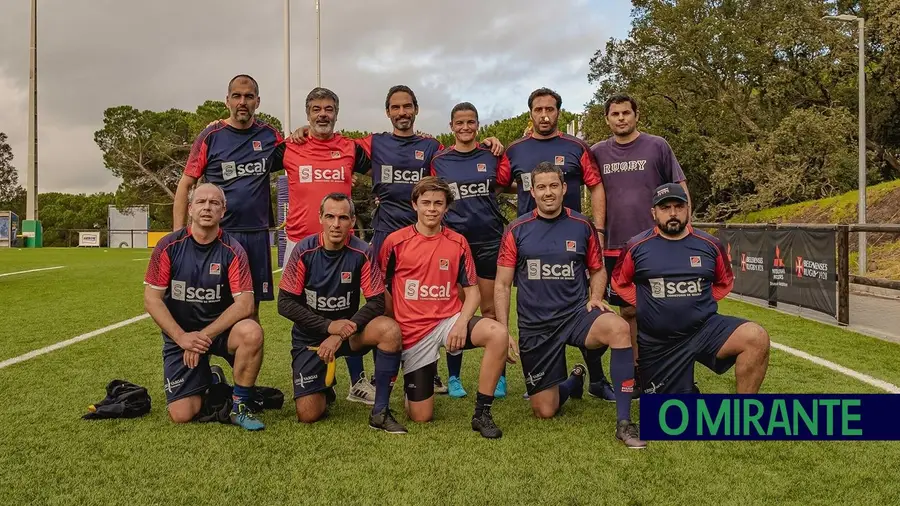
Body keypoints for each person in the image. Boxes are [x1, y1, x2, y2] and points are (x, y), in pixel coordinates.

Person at [290, 85, 504, 394]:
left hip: (427, 236)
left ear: (416, 110)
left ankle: (427, 370)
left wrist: (487, 143)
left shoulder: (431, 147)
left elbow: (461, 154)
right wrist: (304, 132)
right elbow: (332, 142)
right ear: (388, 112)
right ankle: (369, 378)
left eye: (407, 106)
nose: (402, 112)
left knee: (432, 303)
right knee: (377, 307)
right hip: (387, 234)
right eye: (395, 107)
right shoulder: (373, 143)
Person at [495, 163, 645, 448]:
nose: (548, 192)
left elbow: (598, 269)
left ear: (564, 189)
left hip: (576, 315)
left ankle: (625, 423)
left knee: (619, 328)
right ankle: (573, 382)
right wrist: (503, 330)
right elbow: (502, 284)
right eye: (541, 187)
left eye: (554, 186)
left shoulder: (582, 225)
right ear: (532, 190)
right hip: (536, 325)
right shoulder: (516, 229)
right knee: (545, 410)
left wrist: (595, 298)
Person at [377, 176, 511, 439]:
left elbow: (472, 292)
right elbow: (382, 288)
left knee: (498, 333)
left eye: (438, 203)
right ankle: (413, 383)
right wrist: (394, 325)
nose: (432, 209)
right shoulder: (395, 242)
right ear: (414, 204)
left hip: (449, 321)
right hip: (414, 332)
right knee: (421, 416)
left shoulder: (458, 242)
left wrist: (461, 323)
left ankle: (482, 413)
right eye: (425, 202)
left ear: (447, 207)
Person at [266, 87, 374, 405]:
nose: (322, 114)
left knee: (350, 309)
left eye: (328, 108)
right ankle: (310, 375)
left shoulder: (350, 149)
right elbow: (249, 159)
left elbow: (392, 162)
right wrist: (218, 125)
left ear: (337, 113)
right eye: (316, 109)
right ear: (307, 113)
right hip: (301, 243)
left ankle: (357, 382)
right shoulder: (290, 147)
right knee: (301, 310)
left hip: (345, 245)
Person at [505, 87, 614, 401]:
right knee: (539, 309)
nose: (544, 115)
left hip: (573, 240)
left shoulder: (576, 147)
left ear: (559, 112)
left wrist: (600, 230)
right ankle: (557, 380)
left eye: (550, 109)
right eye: (538, 110)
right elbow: (499, 183)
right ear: (530, 113)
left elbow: (595, 186)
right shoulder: (516, 150)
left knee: (585, 305)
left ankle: (597, 379)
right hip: (530, 244)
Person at [612, 183, 770, 395]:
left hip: (703, 330)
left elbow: (724, 281)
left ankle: (744, 414)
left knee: (756, 337)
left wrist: (698, 301)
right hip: (660, 343)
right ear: (653, 212)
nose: (673, 213)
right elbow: (619, 282)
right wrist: (645, 302)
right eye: (665, 208)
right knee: (670, 423)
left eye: (679, 206)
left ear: (688, 209)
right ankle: (682, 387)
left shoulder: (710, 244)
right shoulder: (636, 246)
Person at [277, 193, 407, 433]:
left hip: (348, 334)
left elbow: (377, 302)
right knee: (308, 414)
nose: (336, 224)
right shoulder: (304, 251)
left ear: (352, 220)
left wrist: (340, 333)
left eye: (343, 218)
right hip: (311, 338)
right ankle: (323, 387)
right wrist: (328, 327)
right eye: (330, 217)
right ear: (320, 218)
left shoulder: (361, 252)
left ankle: (380, 411)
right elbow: (284, 303)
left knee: (389, 329)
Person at [144, 183, 266, 430]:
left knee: (251, 332)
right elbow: (151, 299)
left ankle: (240, 404)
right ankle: (212, 378)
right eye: (201, 202)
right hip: (181, 334)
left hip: (218, 333)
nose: (207, 207)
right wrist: (181, 337)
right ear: (190, 209)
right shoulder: (168, 246)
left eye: (214, 203)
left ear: (223, 210)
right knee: (182, 413)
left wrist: (202, 337)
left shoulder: (233, 250)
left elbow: (245, 304)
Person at [590, 94, 690, 396]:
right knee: (628, 313)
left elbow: (681, 188)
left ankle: (672, 372)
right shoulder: (596, 152)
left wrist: (686, 229)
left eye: (626, 113)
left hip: (656, 244)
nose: (621, 118)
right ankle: (636, 374)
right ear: (607, 119)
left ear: (636, 115)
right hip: (614, 247)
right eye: (615, 114)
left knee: (667, 309)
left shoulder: (657, 145)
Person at [174, 74, 283, 315]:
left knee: (250, 310)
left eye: (249, 96)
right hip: (218, 234)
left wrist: (303, 131)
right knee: (209, 305)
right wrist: (177, 236)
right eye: (237, 96)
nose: (242, 101)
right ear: (227, 101)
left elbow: (298, 154)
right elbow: (185, 184)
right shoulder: (210, 136)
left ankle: (245, 353)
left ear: (258, 101)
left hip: (255, 234)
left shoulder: (270, 135)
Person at [430, 102, 512, 399]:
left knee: (490, 310)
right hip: (454, 245)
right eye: (459, 123)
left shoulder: (491, 155)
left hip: (490, 241)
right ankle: (454, 378)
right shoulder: (440, 160)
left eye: (471, 122)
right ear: (451, 126)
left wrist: (498, 148)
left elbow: (503, 184)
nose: (465, 127)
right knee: (456, 312)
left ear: (478, 125)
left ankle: (499, 376)